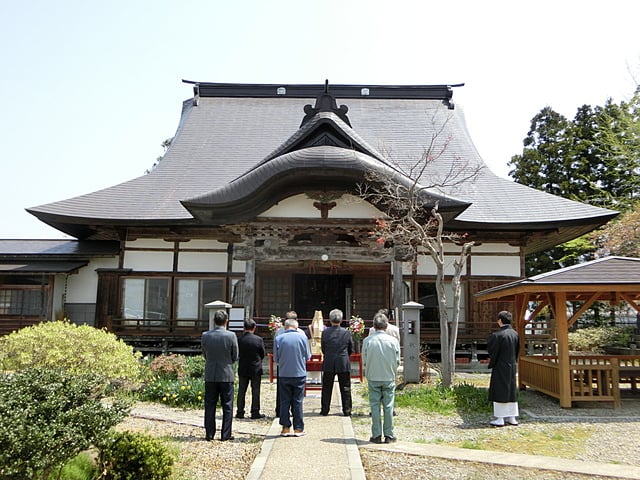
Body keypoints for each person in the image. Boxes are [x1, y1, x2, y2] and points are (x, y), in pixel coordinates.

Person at [362, 312, 400, 444]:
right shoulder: (393, 341)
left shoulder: (367, 341)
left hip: (373, 376)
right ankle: (389, 435)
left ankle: (376, 435)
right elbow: (397, 361)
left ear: (374, 325)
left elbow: (364, 360)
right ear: (386, 326)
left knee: (374, 406)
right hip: (389, 375)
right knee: (389, 406)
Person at [201, 309, 239, 441]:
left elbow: (204, 353)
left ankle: (209, 434)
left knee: (210, 405)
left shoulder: (205, 335)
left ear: (214, 321)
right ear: (226, 321)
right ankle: (225, 434)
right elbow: (235, 355)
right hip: (226, 373)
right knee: (227, 405)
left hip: (211, 373)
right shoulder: (231, 336)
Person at [274, 316, 311, 437]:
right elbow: (308, 356)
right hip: (299, 373)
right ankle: (298, 428)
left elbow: (276, 358)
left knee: (284, 401)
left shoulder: (279, 338)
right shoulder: (303, 337)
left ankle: (285, 428)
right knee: (298, 401)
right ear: (296, 327)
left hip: (284, 373)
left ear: (285, 327)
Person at [487, 310, 520, 427]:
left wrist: (492, 362)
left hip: (500, 365)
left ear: (500, 320)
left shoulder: (497, 335)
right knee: (511, 390)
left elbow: (493, 351)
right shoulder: (515, 334)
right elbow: (517, 351)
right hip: (511, 365)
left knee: (500, 390)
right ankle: (512, 417)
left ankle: (500, 418)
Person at [320, 308, 353, 416]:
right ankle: (347, 410)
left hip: (329, 361)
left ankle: (325, 409)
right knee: (345, 387)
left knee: (326, 387)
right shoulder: (346, 333)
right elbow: (350, 348)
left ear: (330, 320)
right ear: (341, 319)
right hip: (343, 361)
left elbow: (323, 348)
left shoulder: (325, 333)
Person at [236, 318, 266, 420]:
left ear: (244, 328)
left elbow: (237, 353)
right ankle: (255, 411)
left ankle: (240, 411)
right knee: (255, 390)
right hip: (256, 368)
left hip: (243, 367)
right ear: (254, 328)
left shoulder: (239, 340)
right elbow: (262, 354)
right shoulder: (259, 340)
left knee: (241, 391)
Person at [274, 310, 299, 416]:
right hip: (297, 366)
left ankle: (280, 411)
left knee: (282, 390)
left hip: (283, 365)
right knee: (296, 391)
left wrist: (278, 361)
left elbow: (276, 354)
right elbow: (307, 354)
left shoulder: (279, 333)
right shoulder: (301, 334)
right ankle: (295, 411)